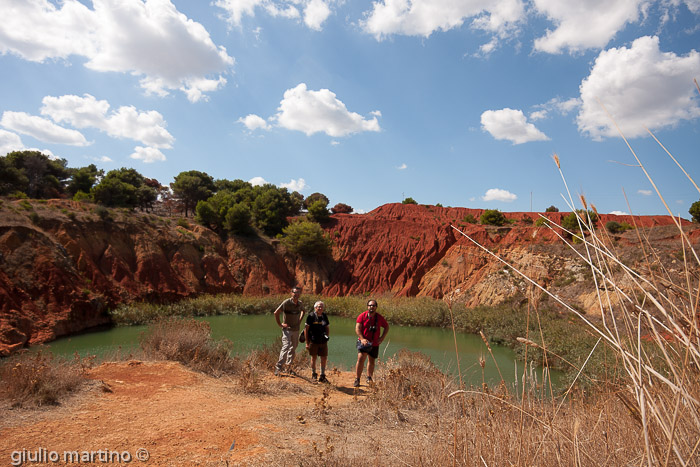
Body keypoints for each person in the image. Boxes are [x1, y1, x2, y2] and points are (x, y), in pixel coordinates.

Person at [354, 299, 389, 387]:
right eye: (370, 305)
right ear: (367, 306)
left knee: (372, 360)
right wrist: (362, 339)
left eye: (373, 305)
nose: (371, 307)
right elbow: (357, 328)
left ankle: (369, 378)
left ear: (376, 307)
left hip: (374, 343)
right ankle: (357, 379)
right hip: (364, 342)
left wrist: (382, 338)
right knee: (361, 359)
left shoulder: (379, 317)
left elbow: (386, 327)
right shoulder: (362, 316)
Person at [274, 286, 305, 376]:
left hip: (296, 330)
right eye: (295, 293)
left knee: (293, 348)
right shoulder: (286, 303)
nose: (296, 294)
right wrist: (280, 324)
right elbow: (276, 312)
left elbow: (303, 311)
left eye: (298, 293)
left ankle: (288, 368)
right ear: (291, 293)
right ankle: (278, 368)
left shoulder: (300, 303)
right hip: (287, 330)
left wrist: (299, 320)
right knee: (286, 346)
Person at [304, 301, 330, 383]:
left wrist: (327, 337)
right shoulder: (311, 316)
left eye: (321, 306)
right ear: (315, 308)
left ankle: (322, 376)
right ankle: (314, 374)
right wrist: (307, 342)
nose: (320, 308)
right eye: (318, 307)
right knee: (314, 357)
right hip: (313, 341)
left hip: (323, 341)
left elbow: (327, 327)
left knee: (324, 358)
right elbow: (306, 330)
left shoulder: (324, 316)